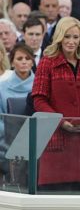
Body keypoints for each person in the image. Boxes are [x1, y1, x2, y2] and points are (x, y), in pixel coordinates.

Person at [31, 16, 80, 193]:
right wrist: (61, 122)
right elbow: (39, 100)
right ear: (59, 37)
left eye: (76, 37)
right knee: (57, 193)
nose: (71, 41)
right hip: (57, 139)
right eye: (67, 36)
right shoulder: (47, 62)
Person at [0, 42, 35, 179]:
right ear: (12, 63)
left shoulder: (41, 85)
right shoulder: (1, 88)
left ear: (32, 62)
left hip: (34, 141)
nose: (24, 62)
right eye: (20, 59)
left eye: (27, 59)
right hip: (6, 142)